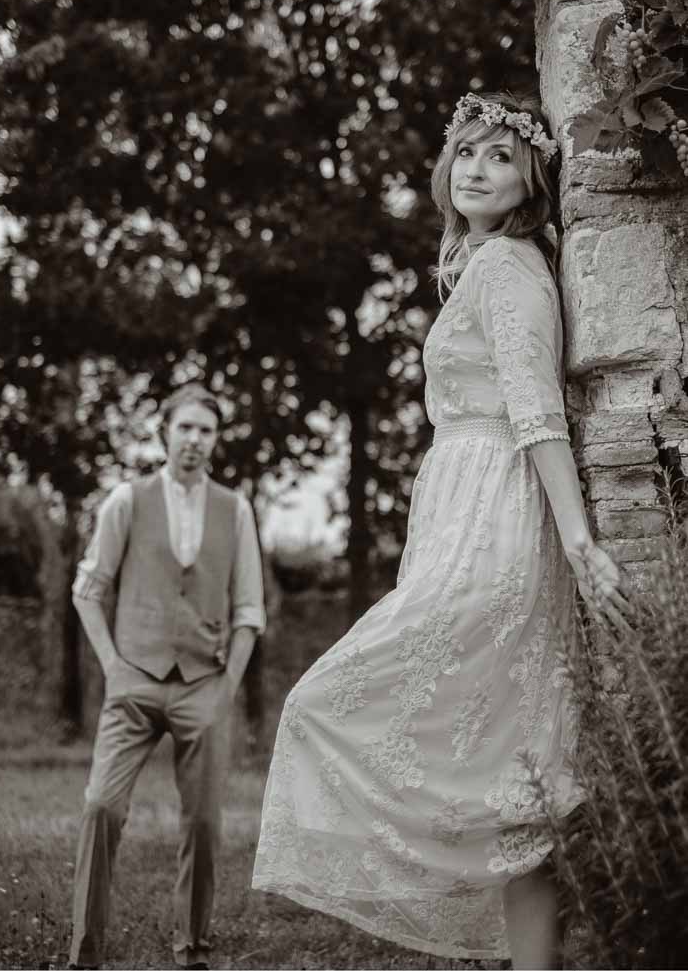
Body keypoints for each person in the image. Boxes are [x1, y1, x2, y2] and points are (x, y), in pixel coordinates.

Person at [251, 93, 631, 970]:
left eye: (501, 157)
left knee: (324, 700)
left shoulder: (506, 267)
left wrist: (579, 542)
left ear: (531, 181)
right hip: (466, 507)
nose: (476, 169)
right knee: (519, 775)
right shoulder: (483, 263)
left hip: (495, 516)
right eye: (467, 151)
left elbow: (537, 412)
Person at [65, 382, 266, 971]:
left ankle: (193, 950)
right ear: (165, 433)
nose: (195, 440)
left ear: (216, 440)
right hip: (134, 681)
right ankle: (84, 954)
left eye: (206, 430)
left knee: (203, 822)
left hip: (205, 683)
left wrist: (226, 691)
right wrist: (113, 667)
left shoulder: (236, 510)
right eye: (186, 428)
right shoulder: (127, 501)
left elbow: (249, 612)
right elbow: (87, 590)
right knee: (101, 806)